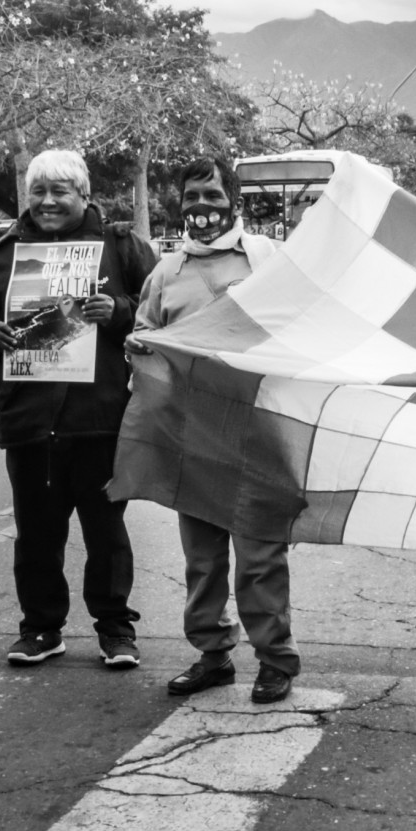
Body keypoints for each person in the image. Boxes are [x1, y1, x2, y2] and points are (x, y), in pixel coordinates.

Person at [0, 150, 156, 670]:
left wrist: (119, 313)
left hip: (98, 419)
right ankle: (41, 629)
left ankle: (115, 629)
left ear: (84, 195)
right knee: (37, 537)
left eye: (60, 191)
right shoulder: (5, 251)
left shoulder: (121, 246)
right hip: (29, 422)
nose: (47, 202)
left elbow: (159, 317)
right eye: (38, 192)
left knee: (106, 534)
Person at [127, 160, 300, 704]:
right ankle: (212, 655)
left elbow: (301, 324)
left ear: (234, 202)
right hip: (192, 436)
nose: (201, 207)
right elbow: (143, 331)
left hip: (259, 430)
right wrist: (138, 345)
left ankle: (275, 660)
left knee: (259, 555)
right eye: (190, 197)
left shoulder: (270, 260)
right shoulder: (165, 272)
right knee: (203, 559)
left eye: (211, 194)